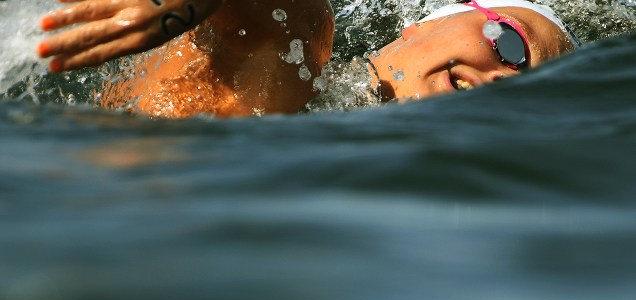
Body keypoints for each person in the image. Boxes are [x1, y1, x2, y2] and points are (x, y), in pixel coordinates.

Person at [37, 0, 578, 118]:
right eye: (512, 46)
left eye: (525, 93)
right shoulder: (298, 60)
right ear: (420, 26)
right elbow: (283, 14)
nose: (503, 80)